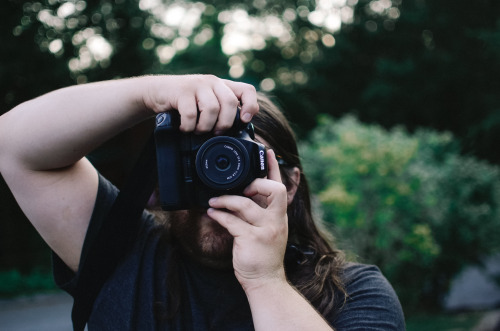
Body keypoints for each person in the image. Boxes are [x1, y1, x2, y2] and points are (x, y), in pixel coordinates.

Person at [0, 75, 405, 330]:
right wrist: (151, 92)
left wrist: (265, 280)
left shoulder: (355, 293)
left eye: (243, 161)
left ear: (291, 185)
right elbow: (12, 145)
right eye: (202, 160)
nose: (221, 177)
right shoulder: (124, 250)